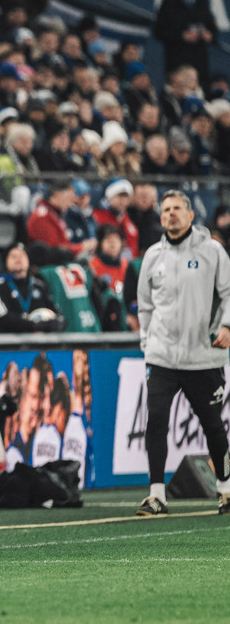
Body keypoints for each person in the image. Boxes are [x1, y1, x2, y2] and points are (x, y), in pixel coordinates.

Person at [135, 189, 230, 516]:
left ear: (191, 215)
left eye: (177, 208)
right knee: (156, 419)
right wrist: (148, 344)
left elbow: (229, 294)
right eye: (165, 210)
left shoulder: (213, 252)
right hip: (161, 357)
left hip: (203, 355)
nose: (171, 214)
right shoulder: (152, 256)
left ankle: (226, 489)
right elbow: (144, 306)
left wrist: (228, 327)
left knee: (212, 425)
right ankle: (156, 494)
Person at [154, 0, 217, 85]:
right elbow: (159, 31)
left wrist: (209, 35)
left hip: (199, 61)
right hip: (177, 60)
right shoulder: (170, 0)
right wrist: (182, 36)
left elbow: (212, 28)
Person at [0, 244, 65, 332]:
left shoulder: (38, 284)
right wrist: (33, 325)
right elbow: (2, 316)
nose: (18, 259)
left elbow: (57, 313)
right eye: (13, 256)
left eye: (22, 255)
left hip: (39, 341)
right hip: (9, 342)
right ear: (6, 261)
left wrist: (58, 322)